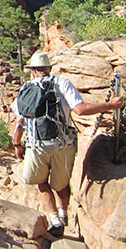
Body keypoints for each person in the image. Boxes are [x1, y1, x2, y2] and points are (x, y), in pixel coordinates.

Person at [11, 52, 124, 239]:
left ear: (33, 71)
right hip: (62, 144)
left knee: (41, 182)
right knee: (61, 185)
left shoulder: (25, 89)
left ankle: (54, 220)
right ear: (49, 68)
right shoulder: (61, 83)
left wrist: (17, 144)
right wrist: (110, 106)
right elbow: (80, 109)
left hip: (35, 146)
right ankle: (63, 215)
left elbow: (20, 121)